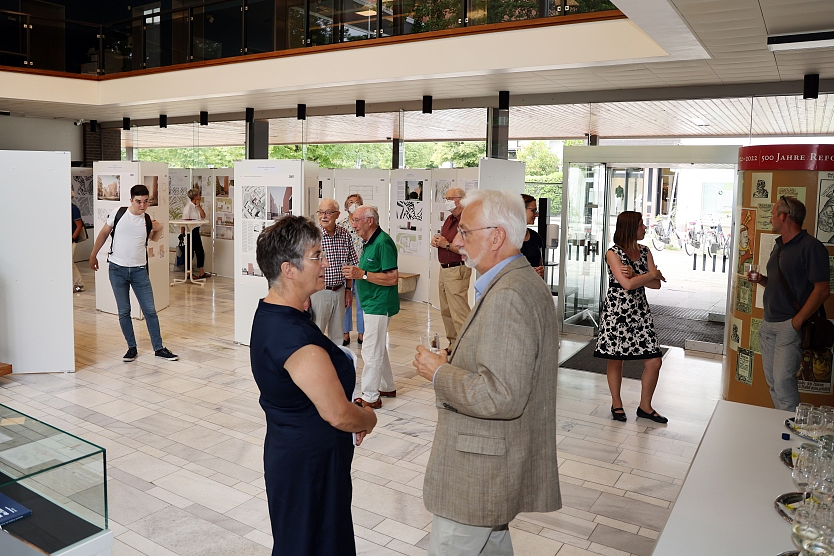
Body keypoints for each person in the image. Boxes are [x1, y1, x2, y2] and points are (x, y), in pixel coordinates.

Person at [413, 189, 561, 555]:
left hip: (478, 468)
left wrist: (438, 373)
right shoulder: (516, 282)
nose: (457, 241)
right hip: (491, 462)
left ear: (496, 236)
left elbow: (501, 395)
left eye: (466, 232)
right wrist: (457, 359)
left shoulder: (508, 293)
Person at [250, 215, 377, 556]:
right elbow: (337, 414)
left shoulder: (275, 314)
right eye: (317, 256)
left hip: (298, 454)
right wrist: (367, 418)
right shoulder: (294, 338)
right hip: (309, 467)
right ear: (289, 270)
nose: (326, 263)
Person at [748, 196, 829, 411]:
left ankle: (793, 430)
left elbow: (822, 289)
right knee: (774, 384)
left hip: (788, 326)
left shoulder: (811, 247)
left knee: (784, 384)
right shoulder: (779, 245)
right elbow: (782, 283)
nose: (771, 218)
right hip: (768, 325)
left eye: (774, 213)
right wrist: (762, 280)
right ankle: (782, 428)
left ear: (785, 216)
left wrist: (797, 322)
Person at [89, 184, 179, 362]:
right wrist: (93, 255)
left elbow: (152, 239)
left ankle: (159, 348)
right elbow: (103, 234)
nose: (142, 205)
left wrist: (159, 229)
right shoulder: (118, 213)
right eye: (138, 202)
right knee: (124, 311)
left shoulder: (147, 220)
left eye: (145, 202)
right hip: (117, 269)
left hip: (139, 271)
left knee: (150, 311)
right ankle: (131, 347)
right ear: (131, 200)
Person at [593, 211, 667, 423]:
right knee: (616, 359)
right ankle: (617, 404)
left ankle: (645, 407)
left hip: (640, 311)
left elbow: (656, 284)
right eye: (641, 224)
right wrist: (650, 275)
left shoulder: (645, 251)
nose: (645, 228)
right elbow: (627, 284)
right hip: (617, 311)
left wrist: (639, 276)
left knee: (654, 360)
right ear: (630, 228)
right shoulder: (612, 253)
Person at [342, 205, 398, 409]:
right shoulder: (368, 242)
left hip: (379, 303)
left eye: (356, 220)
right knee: (378, 345)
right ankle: (387, 385)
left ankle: (370, 396)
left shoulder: (383, 243)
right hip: (370, 302)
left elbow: (392, 278)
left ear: (369, 221)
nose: (353, 224)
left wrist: (362, 275)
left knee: (370, 349)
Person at [310, 198, 357, 344]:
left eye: (328, 213)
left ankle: (334, 365)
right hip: (318, 292)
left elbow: (350, 264)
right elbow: (304, 267)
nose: (324, 216)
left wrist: (348, 289)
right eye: (321, 212)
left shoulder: (344, 234)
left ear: (337, 214)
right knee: (316, 333)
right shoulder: (313, 236)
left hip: (339, 291)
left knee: (338, 336)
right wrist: (305, 296)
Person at [430, 187, 471, 352]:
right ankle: (454, 344)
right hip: (445, 269)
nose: (446, 201)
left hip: (457, 269)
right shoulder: (450, 219)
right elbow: (445, 240)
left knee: (459, 312)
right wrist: (437, 241)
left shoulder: (467, 220)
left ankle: (466, 348)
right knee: (446, 310)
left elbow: (467, 249)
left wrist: (445, 244)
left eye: (449, 198)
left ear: (460, 200)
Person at [339, 194, 365, 346]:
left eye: (357, 202)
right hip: (346, 268)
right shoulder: (341, 225)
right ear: (346, 206)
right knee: (345, 302)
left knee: (362, 303)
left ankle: (362, 334)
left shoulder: (365, 224)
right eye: (351, 202)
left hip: (362, 268)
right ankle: (345, 333)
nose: (354, 204)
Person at [182, 188, 209, 279]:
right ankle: (188, 273)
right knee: (190, 252)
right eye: (199, 194)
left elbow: (203, 216)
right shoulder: (188, 208)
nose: (200, 196)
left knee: (200, 251)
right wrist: (182, 234)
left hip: (196, 230)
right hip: (190, 231)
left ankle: (201, 272)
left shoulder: (196, 206)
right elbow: (184, 222)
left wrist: (199, 206)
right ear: (195, 196)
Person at [520, 194, 544, 278]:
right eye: (533, 210)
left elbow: (540, 263)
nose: (536, 215)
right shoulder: (506, 238)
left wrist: (541, 271)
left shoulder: (535, 236)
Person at [71, 191, 85, 292]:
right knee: (70, 263)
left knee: (69, 263)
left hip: (71, 240)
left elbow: (79, 225)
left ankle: (77, 284)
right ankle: (78, 283)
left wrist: (72, 238)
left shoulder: (73, 208)